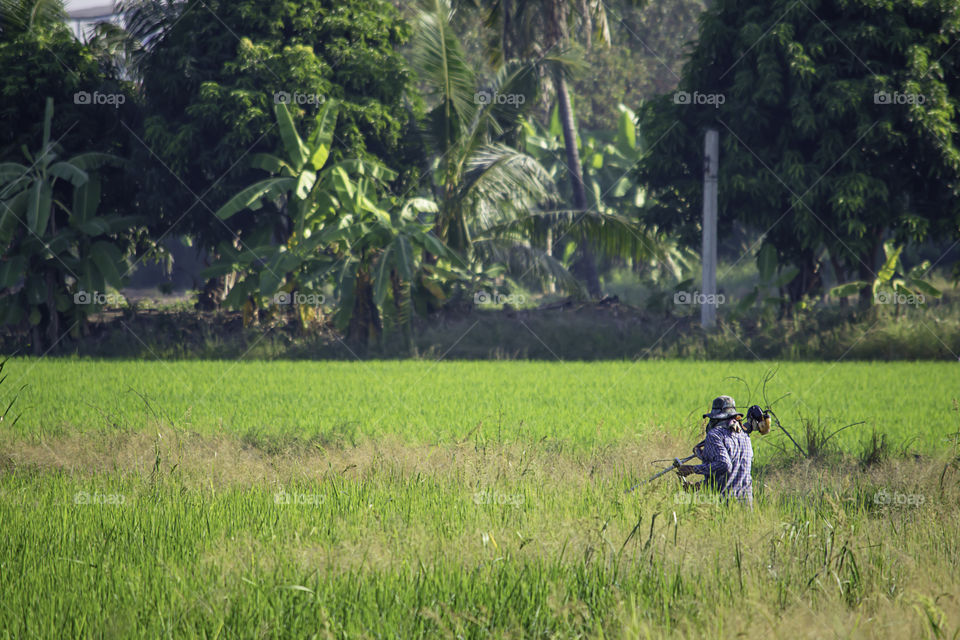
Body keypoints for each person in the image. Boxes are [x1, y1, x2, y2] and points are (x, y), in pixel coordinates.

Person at [677, 395, 758, 504]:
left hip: (724, 504)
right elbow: (732, 475)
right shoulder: (745, 436)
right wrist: (699, 486)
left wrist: (693, 469)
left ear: (717, 418)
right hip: (746, 503)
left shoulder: (715, 435)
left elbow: (724, 465)